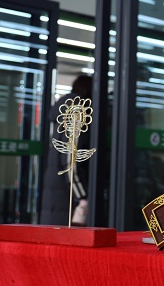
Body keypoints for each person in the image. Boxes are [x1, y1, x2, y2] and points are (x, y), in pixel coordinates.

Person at [40, 74, 93, 226]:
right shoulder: (77, 112)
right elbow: (71, 161)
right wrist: (83, 196)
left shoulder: (66, 113)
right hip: (68, 200)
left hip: (58, 196)